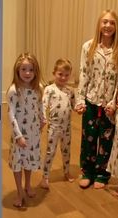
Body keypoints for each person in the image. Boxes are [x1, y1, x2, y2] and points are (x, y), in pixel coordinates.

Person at [75, 9, 118, 189]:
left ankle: (102, 174)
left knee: (107, 140)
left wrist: (114, 103)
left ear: (117, 26)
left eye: (112, 22)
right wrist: (80, 100)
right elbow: (83, 74)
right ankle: (87, 171)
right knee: (88, 138)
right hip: (91, 100)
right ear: (99, 24)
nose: (108, 26)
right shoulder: (88, 46)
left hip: (110, 104)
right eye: (104, 22)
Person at [7, 52, 45, 207]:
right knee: (18, 162)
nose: (27, 73)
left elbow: (40, 105)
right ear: (17, 70)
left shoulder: (38, 88)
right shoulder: (14, 90)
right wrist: (18, 136)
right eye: (24, 69)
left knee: (28, 161)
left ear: (36, 71)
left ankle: (28, 185)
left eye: (31, 69)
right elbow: (11, 113)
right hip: (20, 134)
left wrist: (43, 119)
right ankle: (19, 191)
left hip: (34, 132)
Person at [40, 58, 75, 189]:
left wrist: (80, 108)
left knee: (66, 151)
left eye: (66, 75)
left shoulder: (70, 91)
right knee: (50, 151)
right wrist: (43, 119)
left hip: (67, 127)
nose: (63, 77)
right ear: (54, 73)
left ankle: (66, 172)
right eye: (60, 74)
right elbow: (43, 105)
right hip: (54, 127)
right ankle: (45, 176)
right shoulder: (49, 89)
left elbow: (74, 105)